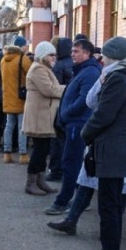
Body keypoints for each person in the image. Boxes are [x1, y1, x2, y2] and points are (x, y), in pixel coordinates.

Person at [46, 63, 126, 235]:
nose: (103, 59)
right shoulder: (106, 77)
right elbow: (91, 101)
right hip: (100, 142)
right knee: (87, 178)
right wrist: (101, 81)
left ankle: (111, 236)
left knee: (119, 190)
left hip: (121, 147)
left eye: (107, 56)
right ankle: (71, 221)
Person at [81, 36, 126, 250]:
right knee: (113, 207)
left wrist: (85, 134)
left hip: (111, 150)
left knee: (109, 208)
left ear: (114, 56)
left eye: (105, 55)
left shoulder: (117, 78)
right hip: (119, 148)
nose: (102, 59)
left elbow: (103, 114)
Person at [44, 38, 101, 215]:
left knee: (71, 163)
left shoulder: (90, 72)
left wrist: (67, 113)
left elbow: (85, 100)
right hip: (73, 123)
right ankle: (79, 200)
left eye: (76, 51)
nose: (72, 54)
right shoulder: (82, 70)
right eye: (72, 51)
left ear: (87, 53)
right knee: (74, 162)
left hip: (78, 123)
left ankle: (63, 201)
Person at [22, 41, 66, 195]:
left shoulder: (43, 68)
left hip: (43, 116)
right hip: (39, 117)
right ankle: (31, 183)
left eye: (54, 54)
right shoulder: (38, 69)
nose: (54, 57)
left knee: (43, 149)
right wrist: (69, 88)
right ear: (43, 55)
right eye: (51, 55)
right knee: (39, 151)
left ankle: (40, 181)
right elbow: (49, 90)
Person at [0, 35, 32, 164]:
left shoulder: (3, 59)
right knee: (22, 127)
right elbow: (31, 74)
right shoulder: (22, 59)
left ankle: (7, 153)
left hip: (7, 97)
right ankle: (23, 154)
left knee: (9, 126)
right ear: (21, 46)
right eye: (25, 45)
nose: (27, 47)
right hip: (21, 97)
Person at [47, 36, 73, 182]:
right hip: (73, 108)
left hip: (60, 107)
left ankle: (56, 171)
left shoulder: (59, 66)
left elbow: (54, 88)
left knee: (57, 141)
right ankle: (67, 170)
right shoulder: (75, 64)